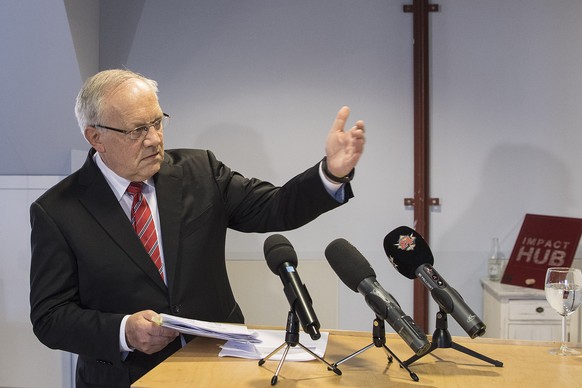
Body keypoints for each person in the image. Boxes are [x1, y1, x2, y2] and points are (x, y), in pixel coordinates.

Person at [29, 69, 365, 387]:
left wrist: (330, 175)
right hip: (124, 377)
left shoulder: (200, 171)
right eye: (137, 130)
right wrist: (123, 331)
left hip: (217, 364)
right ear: (96, 137)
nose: (154, 140)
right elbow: (50, 317)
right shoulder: (58, 210)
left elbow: (274, 208)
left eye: (157, 123)